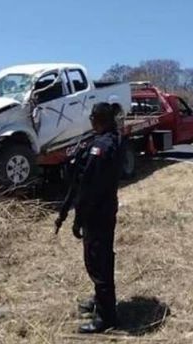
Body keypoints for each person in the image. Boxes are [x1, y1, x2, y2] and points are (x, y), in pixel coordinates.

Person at [65, 102, 122, 333]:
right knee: (102, 258)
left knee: (98, 262)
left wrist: (78, 219)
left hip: (96, 213)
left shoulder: (101, 147)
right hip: (106, 209)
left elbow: (88, 188)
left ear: (98, 119)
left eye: (91, 118)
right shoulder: (114, 139)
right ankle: (101, 301)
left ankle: (106, 317)